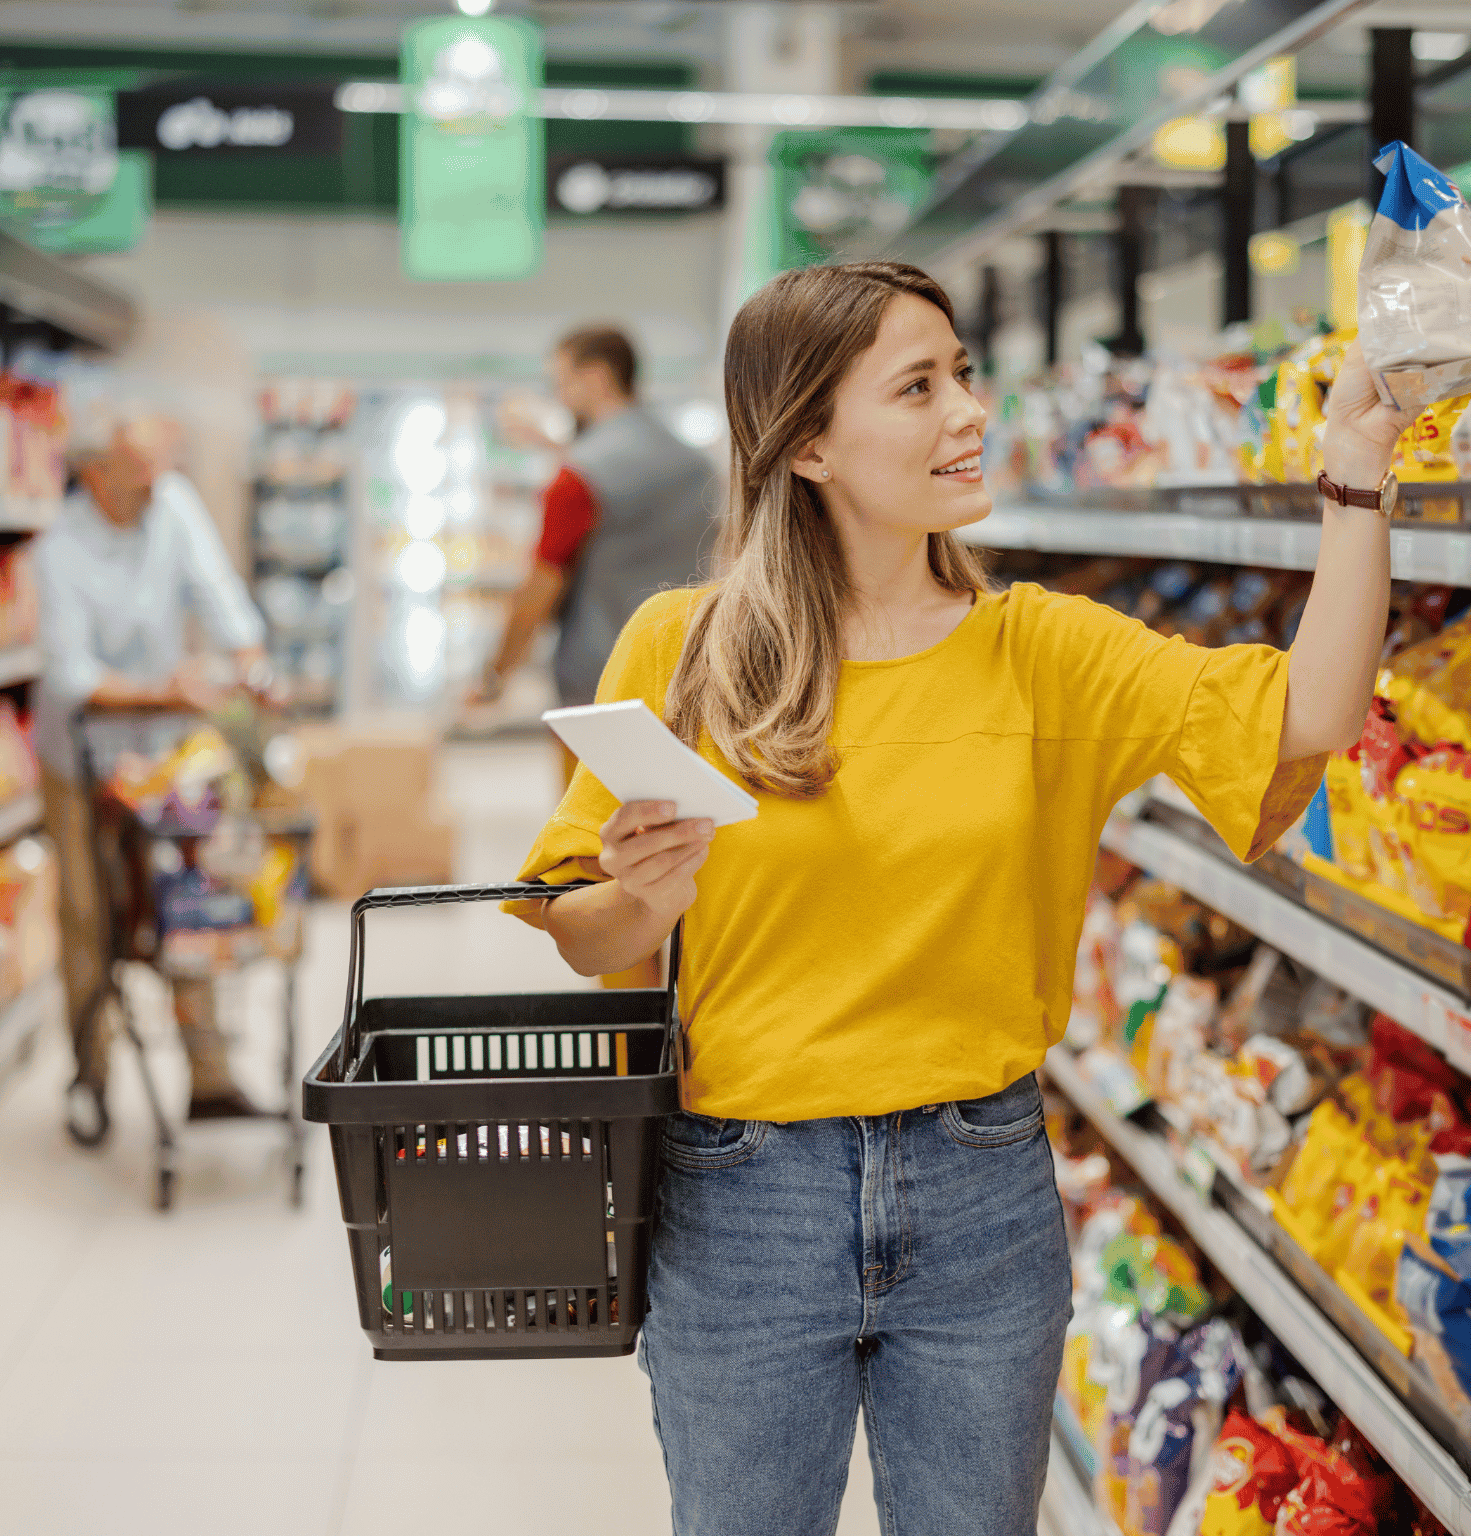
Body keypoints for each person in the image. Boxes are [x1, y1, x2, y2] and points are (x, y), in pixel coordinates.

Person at [504, 262, 1415, 1534]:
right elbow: (575, 923)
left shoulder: (1042, 649)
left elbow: (1309, 714)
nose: (969, 413)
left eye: (964, 375)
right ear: (809, 442)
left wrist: (1355, 474)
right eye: (918, 386)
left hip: (980, 1188)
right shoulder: (686, 646)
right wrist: (638, 900)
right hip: (743, 1196)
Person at [33, 419, 275, 1147]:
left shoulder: (169, 505)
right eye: (138, 476)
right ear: (97, 476)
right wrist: (169, 691)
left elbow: (221, 596)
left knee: (189, 898)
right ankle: (90, 1076)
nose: (154, 487)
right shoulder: (59, 552)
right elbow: (74, 678)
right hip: (81, 760)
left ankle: (211, 1079)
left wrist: (252, 665)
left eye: (158, 473)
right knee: (89, 916)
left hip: (162, 760)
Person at [470, 324, 716, 773]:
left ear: (598, 377)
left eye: (562, 382)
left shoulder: (577, 478)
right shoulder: (697, 467)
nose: (559, 397)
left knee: (590, 832)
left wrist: (495, 674)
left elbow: (539, 589)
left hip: (598, 691)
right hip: (689, 682)